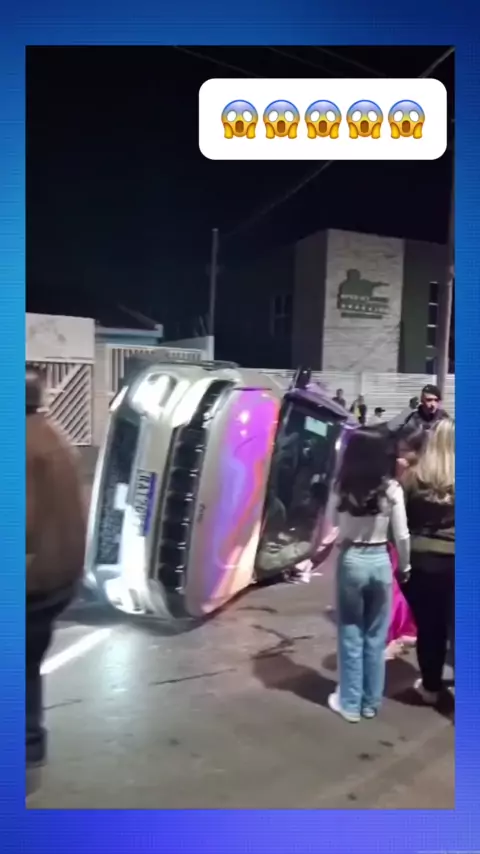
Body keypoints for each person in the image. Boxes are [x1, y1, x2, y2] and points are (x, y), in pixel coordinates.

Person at [327, 429, 410, 722]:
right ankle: (370, 702)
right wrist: (405, 566)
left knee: (351, 633)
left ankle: (350, 703)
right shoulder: (392, 489)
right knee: (376, 636)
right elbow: (402, 535)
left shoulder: (341, 487)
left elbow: (333, 522)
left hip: (351, 557)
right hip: (380, 560)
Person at [26, 367, 87, 768]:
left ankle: (25, 742)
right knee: (26, 665)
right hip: (59, 576)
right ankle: (29, 743)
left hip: (31, 580)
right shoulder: (53, 433)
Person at [400, 419, 455, 704]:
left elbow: (400, 519)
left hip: (422, 560)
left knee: (430, 628)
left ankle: (431, 687)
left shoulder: (413, 476)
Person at [385, 428, 425, 660]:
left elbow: (402, 531)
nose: (399, 456)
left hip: (409, 547)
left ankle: (403, 632)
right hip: (402, 547)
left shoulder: (410, 481)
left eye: (404, 451)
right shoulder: (399, 479)